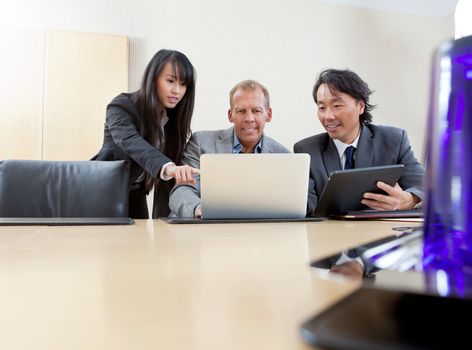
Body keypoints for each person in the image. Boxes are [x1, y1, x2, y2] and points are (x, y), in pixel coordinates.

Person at [294, 69, 425, 215]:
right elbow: (307, 207)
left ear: (361, 106)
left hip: (380, 232)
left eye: (337, 106)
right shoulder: (307, 150)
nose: (328, 116)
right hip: (328, 234)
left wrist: (408, 199)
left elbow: (424, 186)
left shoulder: (393, 140)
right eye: (322, 108)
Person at [92, 49, 199, 218]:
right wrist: (169, 167)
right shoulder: (122, 106)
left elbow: (167, 184)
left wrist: (165, 222)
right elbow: (131, 142)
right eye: (170, 81)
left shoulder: (171, 121)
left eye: (183, 84)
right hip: (105, 193)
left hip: (137, 195)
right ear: (153, 78)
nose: (177, 90)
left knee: (145, 243)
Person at [169, 80, 289, 218]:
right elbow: (182, 190)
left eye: (256, 111)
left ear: (269, 115)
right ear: (230, 115)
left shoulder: (283, 156)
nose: (249, 118)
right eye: (241, 111)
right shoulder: (201, 143)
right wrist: (198, 208)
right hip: (204, 228)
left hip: (257, 233)